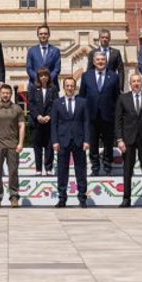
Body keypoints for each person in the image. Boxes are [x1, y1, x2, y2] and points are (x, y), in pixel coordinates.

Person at [115, 73, 142, 208]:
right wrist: (119, 139)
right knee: (127, 170)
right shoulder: (123, 98)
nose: (136, 83)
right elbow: (118, 121)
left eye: (138, 81)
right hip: (128, 140)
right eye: (133, 81)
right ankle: (126, 198)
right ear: (130, 83)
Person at [52, 75, 92, 208]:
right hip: (62, 141)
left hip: (79, 140)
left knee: (81, 170)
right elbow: (54, 124)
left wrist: (87, 140)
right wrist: (55, 141)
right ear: (64, 88)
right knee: (62, 171)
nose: (70, 88)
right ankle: (62, 198)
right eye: (67, 86)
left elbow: (86, 122)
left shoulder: (83, 102)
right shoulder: (57, 103)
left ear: (75, 87)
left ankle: (82, 198)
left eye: (72, 86)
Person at [79, 50, 121, 176]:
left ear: (106, 61)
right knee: (93, 143)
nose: (100, 62)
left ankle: (108, 168)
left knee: (108, 143)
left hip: (108, 116)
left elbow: (117, 97)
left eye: (103, 60)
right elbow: (82, 96)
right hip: (91, 116)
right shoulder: (86, 76)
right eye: (98, 60)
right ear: (93, 62)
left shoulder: (114, 76)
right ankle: (95, 168)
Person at [0, 84, 26, 208]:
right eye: (3, 93)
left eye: (8, 93)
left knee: (13, 171)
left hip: (13, 145)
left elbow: (22, 126)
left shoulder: (17, 109)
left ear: (11, 94)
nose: (5, 95)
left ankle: (14, 196)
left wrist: (20, 143)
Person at [27, 67, 58, 175]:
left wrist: (49, 116)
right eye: (41, 75)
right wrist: (38, 116)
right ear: (38, 77)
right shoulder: (33, 88)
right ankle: (38, 169)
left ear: (49, 77)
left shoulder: (53, 89)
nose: (44, 77)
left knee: (49, 145)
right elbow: (30, 104)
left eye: (46, 75)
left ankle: (48, 168)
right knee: (38, 146)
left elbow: (55, 104)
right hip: (37, 122)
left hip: (49, 122)